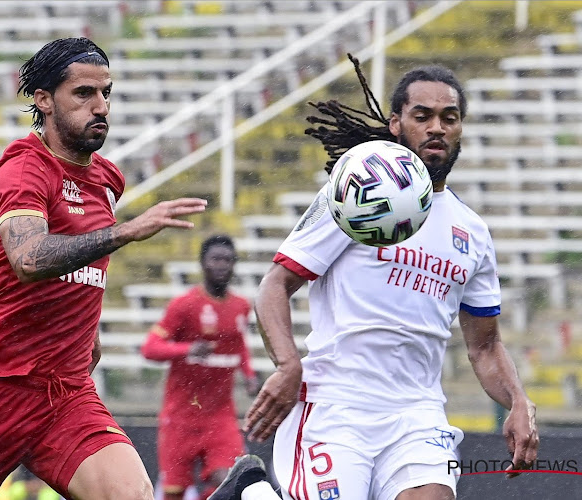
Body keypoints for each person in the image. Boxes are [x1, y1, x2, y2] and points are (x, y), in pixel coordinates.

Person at [213, 54, 540, 500]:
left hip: (417, 416)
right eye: (422, 116)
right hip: (336, 406)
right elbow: (275, 284)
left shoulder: (472, 231)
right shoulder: (357, 194)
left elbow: (484, 345)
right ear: (396, 124)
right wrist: (289, 365)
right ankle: (253, 493)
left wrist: (518, 402)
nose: (437, 128)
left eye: (450, 117)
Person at [0, 37, 208, 500]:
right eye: (83, 94)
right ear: (43, 100)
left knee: (132, 496)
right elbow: (28, 259)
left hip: (66, 392)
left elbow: (84, 272)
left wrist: (89, 337)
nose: (100, 106)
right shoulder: (23, 170)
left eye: (106, 92)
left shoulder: (107, 178)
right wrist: (124, 232)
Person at [141, 235, 261, 500]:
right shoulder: (184, 305)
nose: (222, 265)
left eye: (228, 260)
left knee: (231, 481)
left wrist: (250, 375)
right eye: (216, 259)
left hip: (220, 417)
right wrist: (187, 349)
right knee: (174, 492)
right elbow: (149, 348)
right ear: (202, 264)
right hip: (181, 418)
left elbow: (238, 343)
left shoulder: (241, 306)